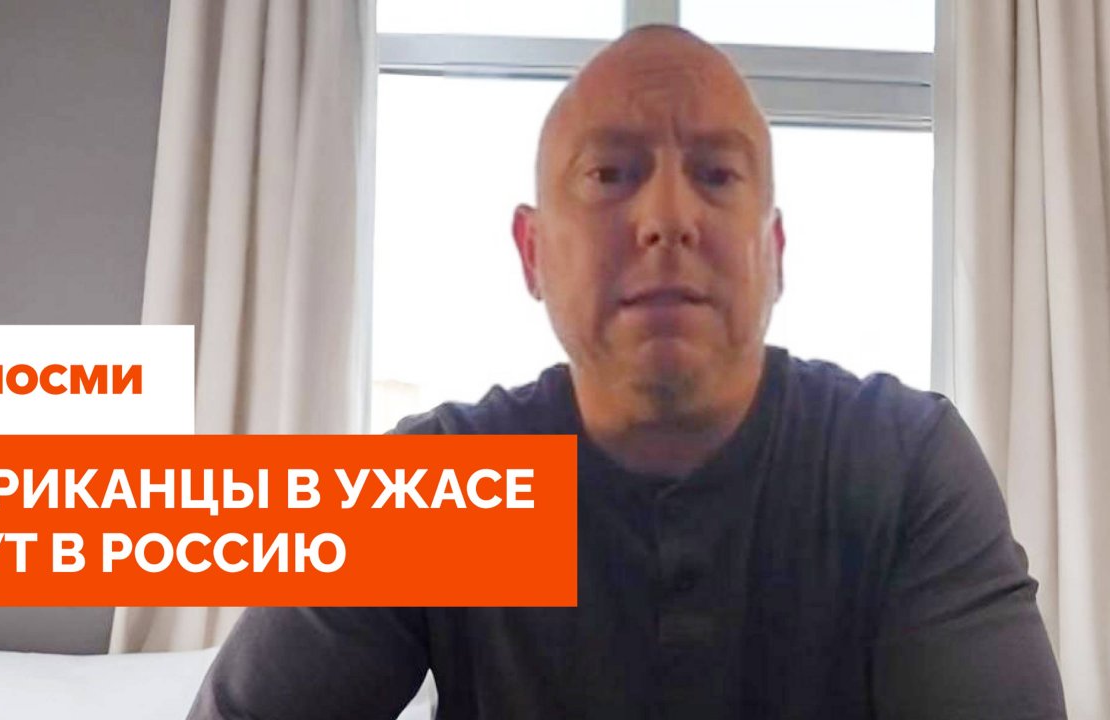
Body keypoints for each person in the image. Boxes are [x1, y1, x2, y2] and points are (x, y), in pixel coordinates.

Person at [188, 25, 1066, 719]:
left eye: (718, 174)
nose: (668, 216)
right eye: (610, 173)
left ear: (774, 253)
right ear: (533, 251)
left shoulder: (901, 470)